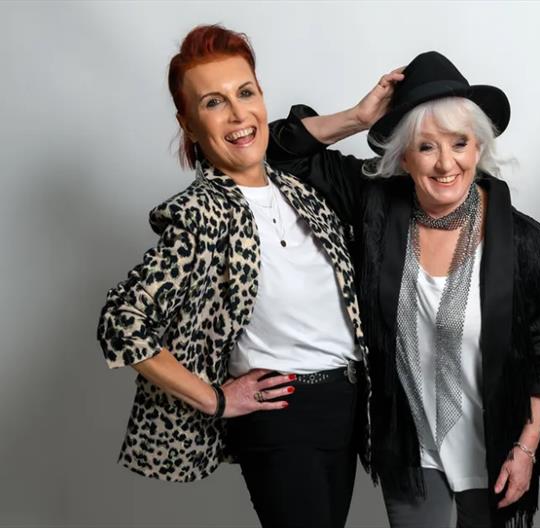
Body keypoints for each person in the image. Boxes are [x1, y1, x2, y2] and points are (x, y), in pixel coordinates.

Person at [96, 24, 398, 527]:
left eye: (246, 93)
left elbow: (286, 141)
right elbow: (121, 323)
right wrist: (214, 398)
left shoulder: (301, 190)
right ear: (189, 123)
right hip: (282, 413)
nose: (238, 114)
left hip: (346, 406)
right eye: (214, 103)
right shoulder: (200, 213)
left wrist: (360, 117)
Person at [266, 51, 540, 528]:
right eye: (426, 147)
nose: (446, 163)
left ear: (478, 149)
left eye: (460, 143)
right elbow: (280, 154)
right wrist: (359, 117)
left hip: (495, 454)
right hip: (410, 452)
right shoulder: (375, 209)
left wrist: (527, 449)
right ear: (402, 156)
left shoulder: (527, 243)